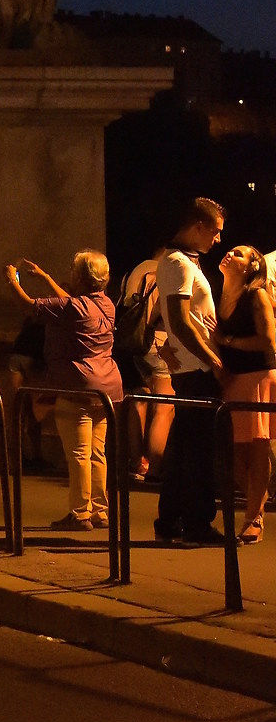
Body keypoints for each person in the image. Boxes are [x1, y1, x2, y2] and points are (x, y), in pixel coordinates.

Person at [6, 252, 122, 530]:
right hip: (106, 388)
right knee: (97, 453)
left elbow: (30, 307)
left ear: (81, 277)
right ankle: (99, 510)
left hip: (76, 387)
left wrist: (12, 282)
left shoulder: (72, 309)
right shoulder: (106, 304)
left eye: (73, 268)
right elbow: (72, 304)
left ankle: (80, 513)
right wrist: (45, 277)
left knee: (78, 453)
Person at [154, 198, 227, 546]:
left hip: (188, 366)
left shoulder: (177, 262)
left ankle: (170, 520)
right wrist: (212, 358)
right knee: (198, 450)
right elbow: (181, 322)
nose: (217, 240)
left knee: (184, 446)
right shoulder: (179, 264)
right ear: (198, 227)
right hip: (196, 369)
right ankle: (197, 523)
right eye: (214, 232)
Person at [215, 245, 274, 545]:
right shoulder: (219, 294)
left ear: (252, 266)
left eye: (239, 254)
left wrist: (226, 339)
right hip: (233, 380)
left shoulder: (256, 294)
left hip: (257, 378)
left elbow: (268, 341)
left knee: (256, 450)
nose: (229, 254)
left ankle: (254, 518)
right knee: (237, 458)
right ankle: (260, 496)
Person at [119, 246, 176, 482]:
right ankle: (155, 468)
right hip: (157, 340)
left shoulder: (132, 273)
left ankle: (136, 462)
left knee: (138, 402)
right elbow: (160, 311)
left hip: (133, 344)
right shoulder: (163, 272)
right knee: (164, 406)